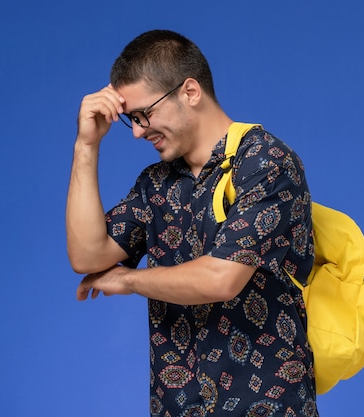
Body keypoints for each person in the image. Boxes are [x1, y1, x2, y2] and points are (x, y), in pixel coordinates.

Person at [67, 29, 318, 417]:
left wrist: (128, 280)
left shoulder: (265, 162)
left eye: (144, 114)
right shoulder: (156, 183)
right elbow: (87, 256)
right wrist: (87, 145)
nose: (136, 132)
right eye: (130, 120)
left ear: (190, 92)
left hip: (265, 407)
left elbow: (221, 278)